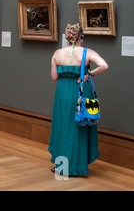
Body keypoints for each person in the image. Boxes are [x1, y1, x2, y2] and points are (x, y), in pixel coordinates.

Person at [48, 23, 108, 176]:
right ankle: (79, 166)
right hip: (81, 90)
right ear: (81, 36)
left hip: (62, 93)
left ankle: (62, 166)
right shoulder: (87, 52)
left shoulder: (57, 53)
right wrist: (89, 75)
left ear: (67, 37)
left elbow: (54, 77)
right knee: (80, 126)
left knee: (64, 127)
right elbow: (104, 65)